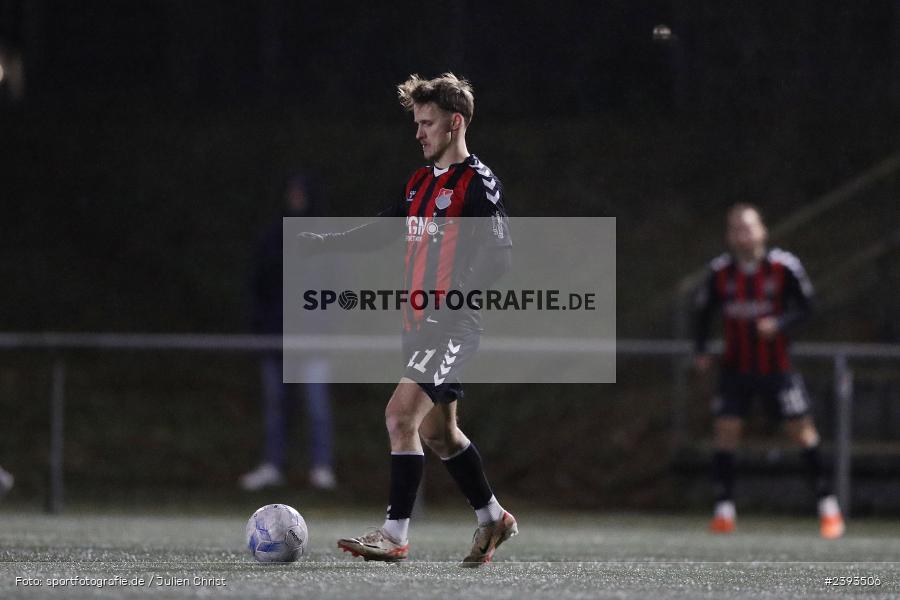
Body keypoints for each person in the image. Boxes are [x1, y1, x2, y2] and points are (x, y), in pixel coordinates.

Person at [300, 73, 516, 566]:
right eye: (416, 123)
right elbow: (382, 229)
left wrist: (454, 302)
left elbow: (500, 255)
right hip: (417, 324)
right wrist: (327, 242)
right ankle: (494, 517)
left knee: (400, 416)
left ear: (454, 123)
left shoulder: (477, 183)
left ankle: (394, 533)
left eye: (427, 123)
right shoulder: (420, 182)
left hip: (451, 325)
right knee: (440, 435)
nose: (418, 133)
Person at [693, 203, 845, 539]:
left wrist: (780, 323)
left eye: (747, 228)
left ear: (762, 230)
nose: (742, 235)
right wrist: (701, 349)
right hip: (735, 368)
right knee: (726, 429)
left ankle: (828, 508)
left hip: (777, 367)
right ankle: (724, 510)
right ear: (728, 236)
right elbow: (702, 313)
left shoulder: (784, 267)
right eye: (735, 229)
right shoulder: (719, 272)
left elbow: (807, 307)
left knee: (802, 432)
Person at [240, 174, 337, 492]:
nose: (296, 197)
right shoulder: (273, 237)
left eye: (301, 191)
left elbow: (335, 288)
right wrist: (262, 326)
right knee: (276, 406)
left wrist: (326, 327)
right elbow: (258, 285)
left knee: (316, 406)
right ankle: (273, 465)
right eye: (292, 191)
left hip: (313, 340)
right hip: (276, 337)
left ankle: (321, 468)